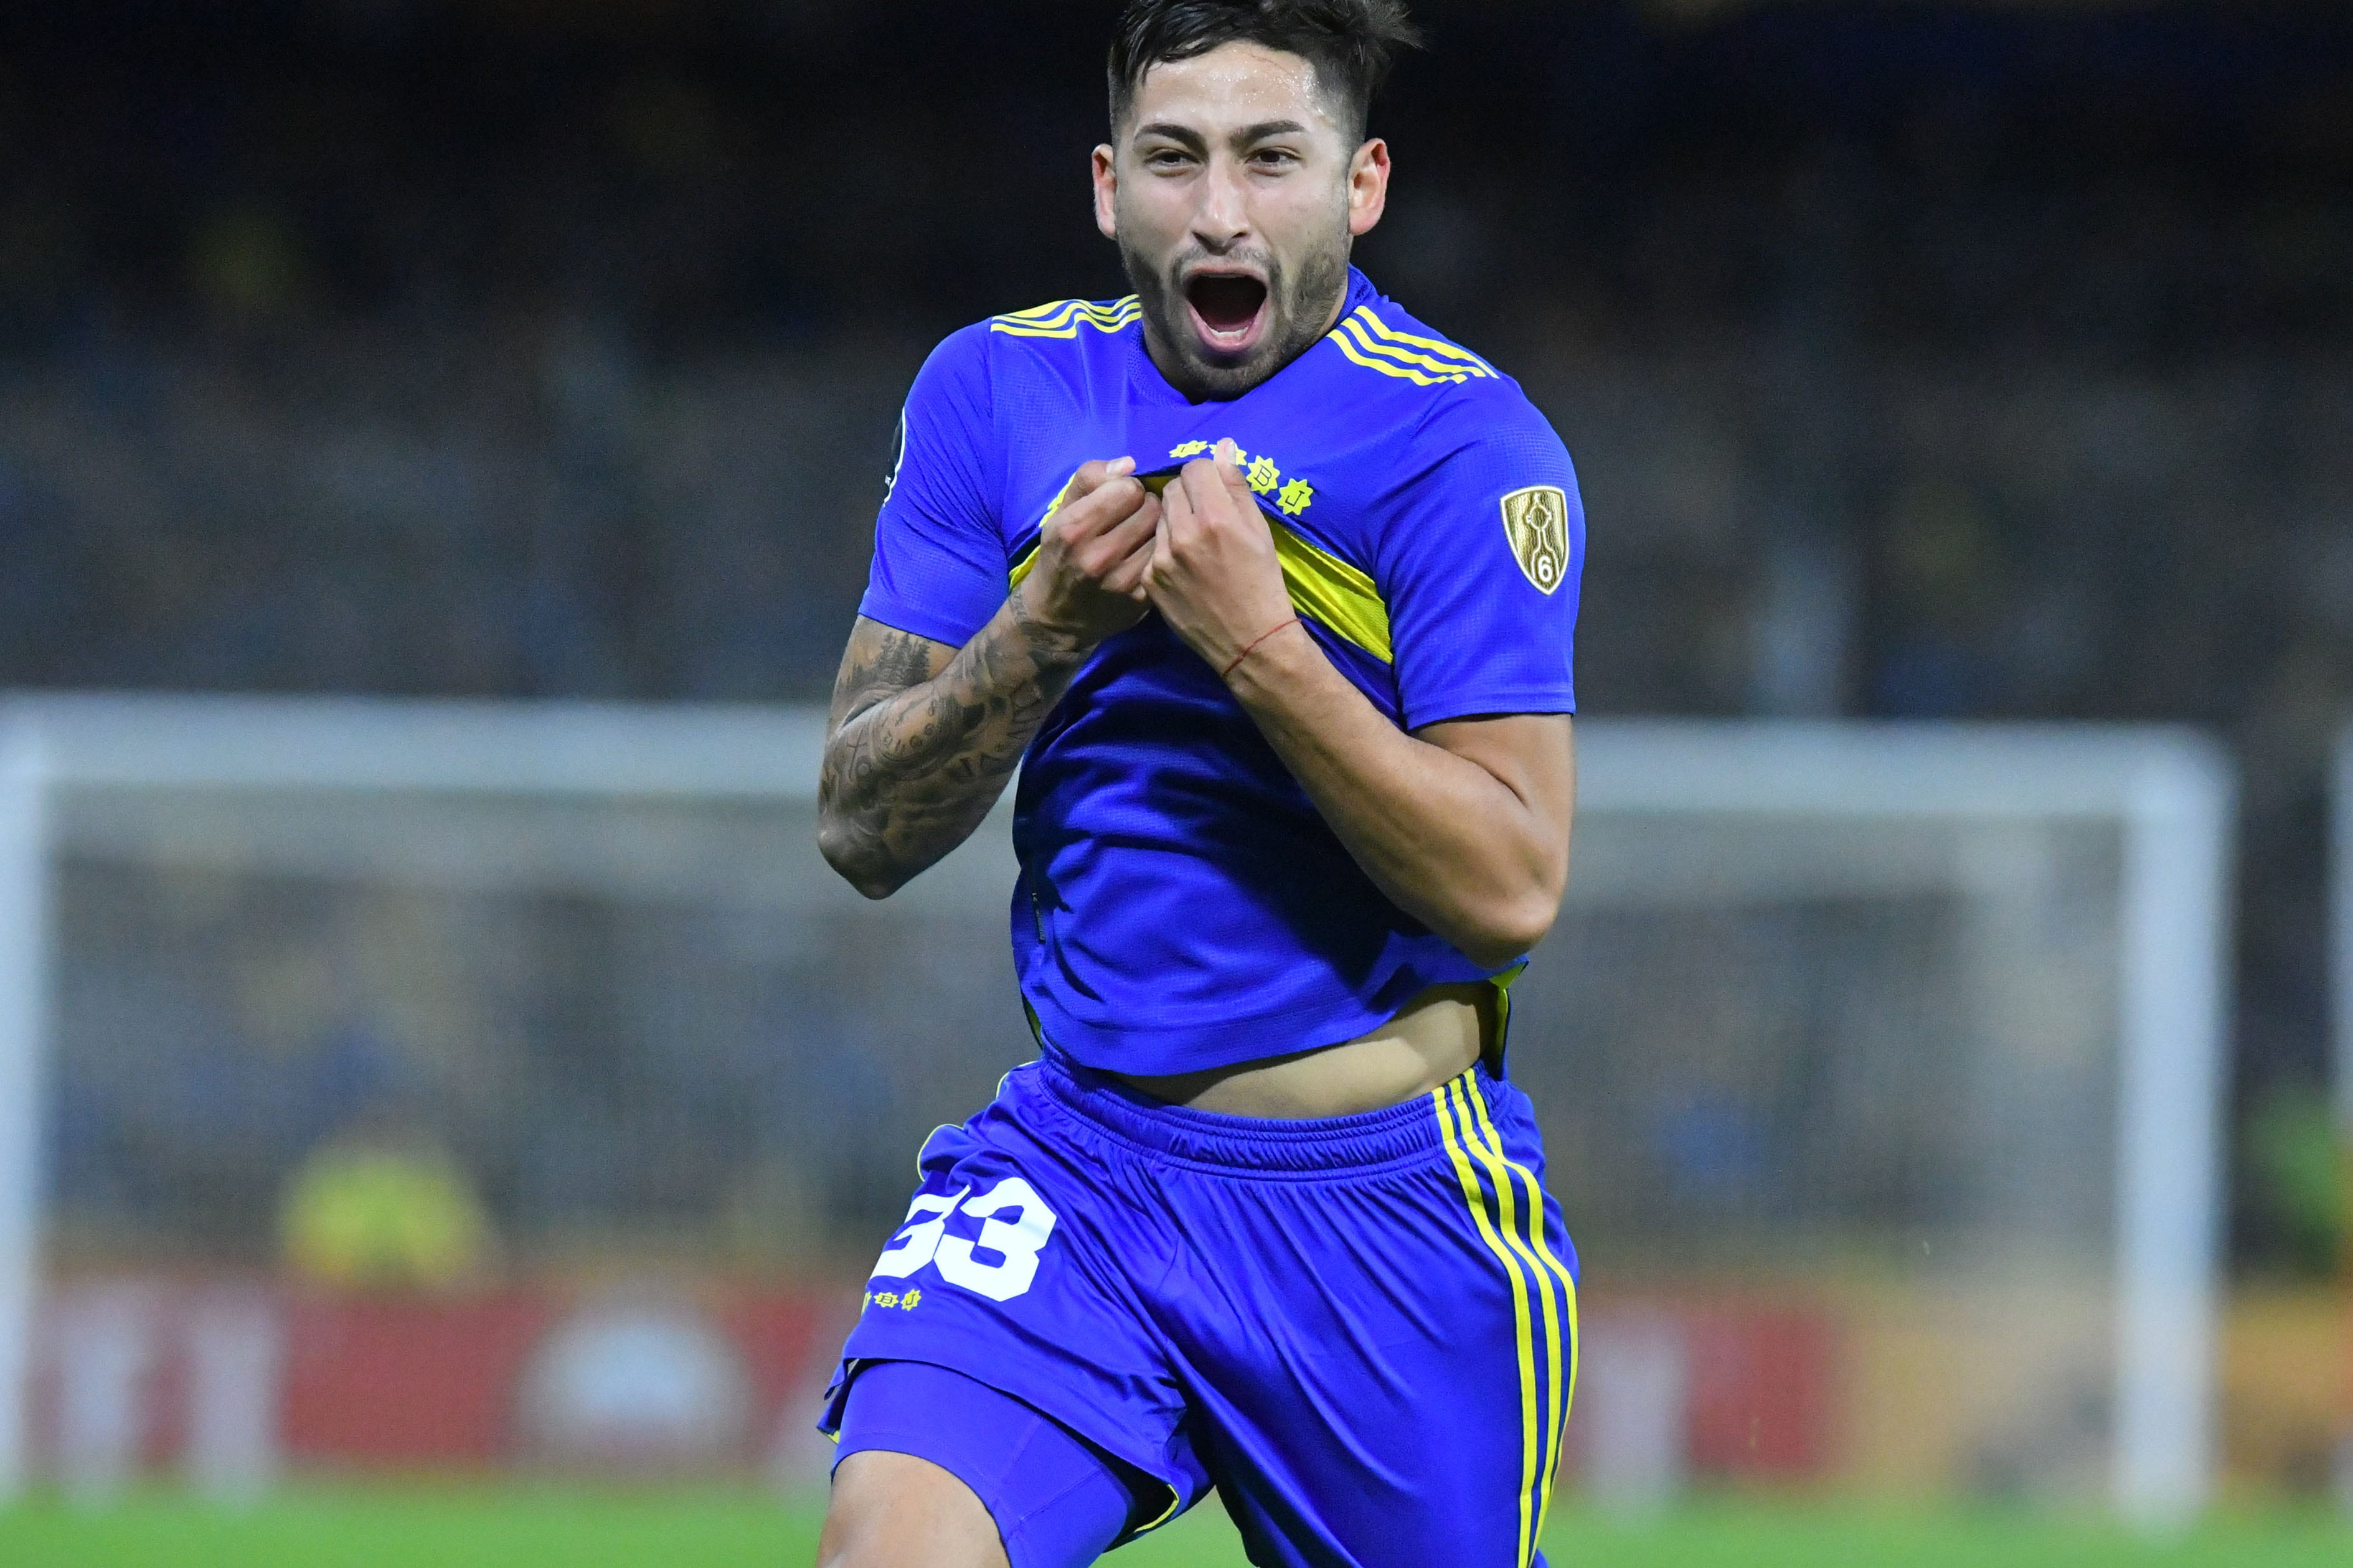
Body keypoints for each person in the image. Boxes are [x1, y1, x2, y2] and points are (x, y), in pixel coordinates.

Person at [812, 4, 1583, 1564]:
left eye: (1269, 159)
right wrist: (1040, 630)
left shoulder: (1465, 445)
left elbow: (1511, 890)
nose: (1219, 210)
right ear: (1110, 189)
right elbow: (859, 824)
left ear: (1359, 188)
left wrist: (1259, 649)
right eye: (1175, 160)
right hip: (1083, 1169)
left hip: (1385, 1209)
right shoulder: (996, 393)